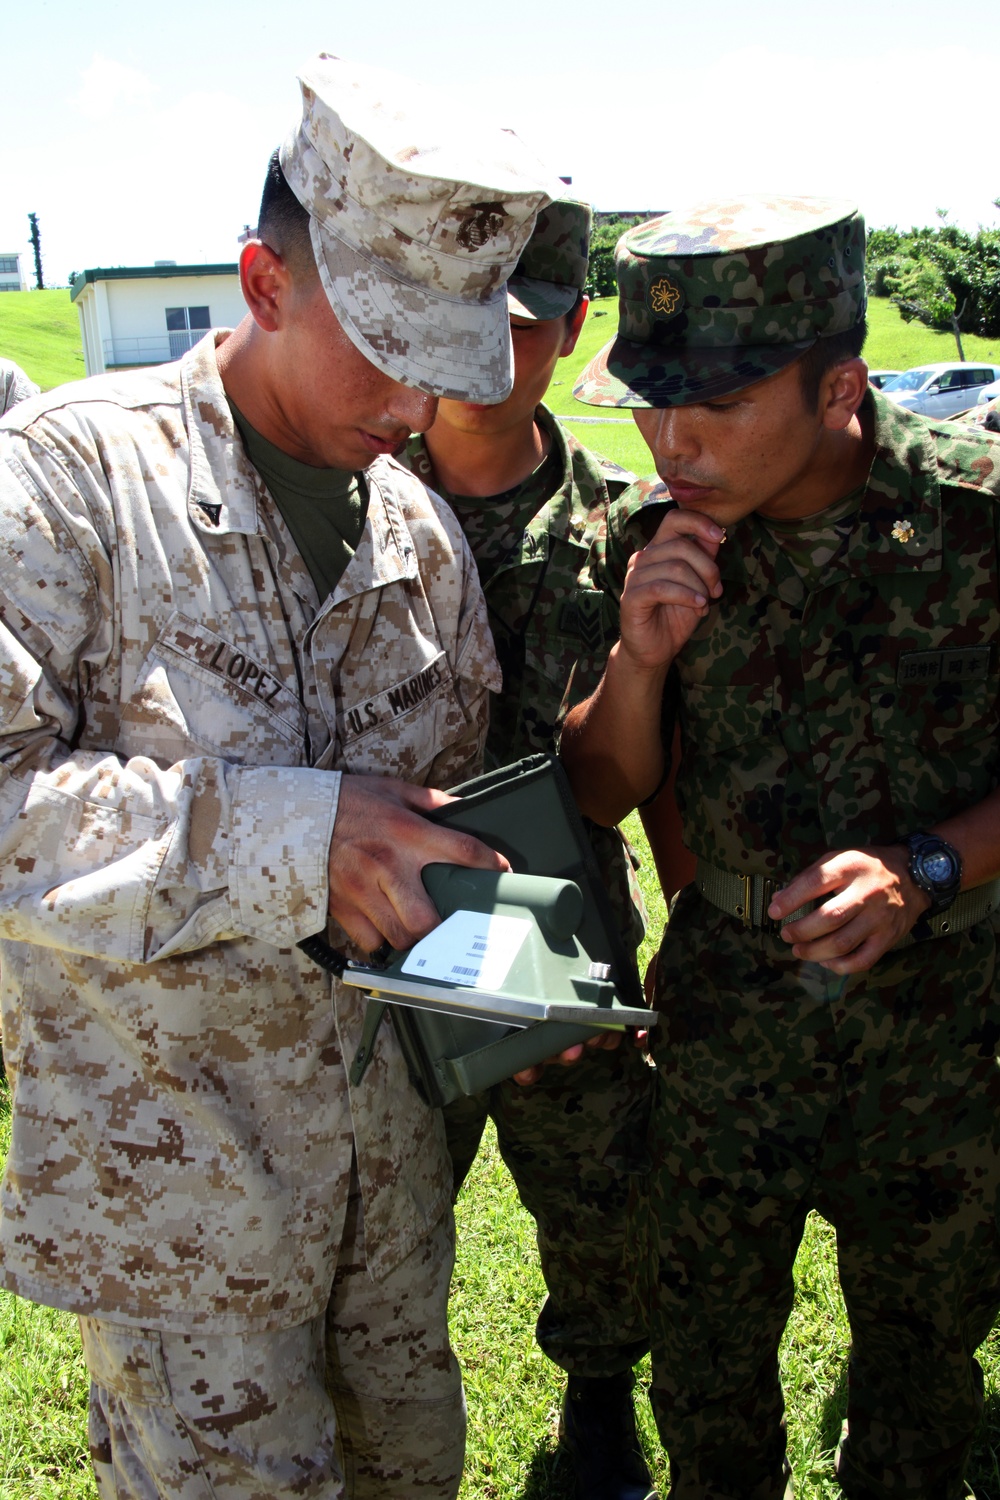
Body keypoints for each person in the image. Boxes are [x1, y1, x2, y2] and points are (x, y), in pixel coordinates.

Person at [0, 54, 559, 1500]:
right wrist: (291, 837)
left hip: (389, 1214)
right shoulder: (68, 486)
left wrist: (518, 982)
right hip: (179, 1221)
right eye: (384, 347)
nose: (422, 402)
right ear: (263, 282)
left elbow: (430, 838)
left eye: (449, 358)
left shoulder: (422, 540)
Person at [561, 196, 1000, 1500]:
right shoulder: (656, 530)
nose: (671, 441)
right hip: (724, 1035)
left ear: (841, 384)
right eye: (647, 402)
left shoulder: (978, 515)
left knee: (921, 1398)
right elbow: (598, 782)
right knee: (706, 1395)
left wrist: (930, 868)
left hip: (940, 1036)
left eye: (718, 407)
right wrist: (640, 661)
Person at [401, 198, 657, 1500]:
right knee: (387, 1208)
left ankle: (600, 1411)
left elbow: (645, 769)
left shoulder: (624, 523)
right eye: (469, 323)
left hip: (566, 923)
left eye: (525, 324)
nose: (491, 357)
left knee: (599, 1200)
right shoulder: (356, 501)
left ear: (575, 326)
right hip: (387, 922)